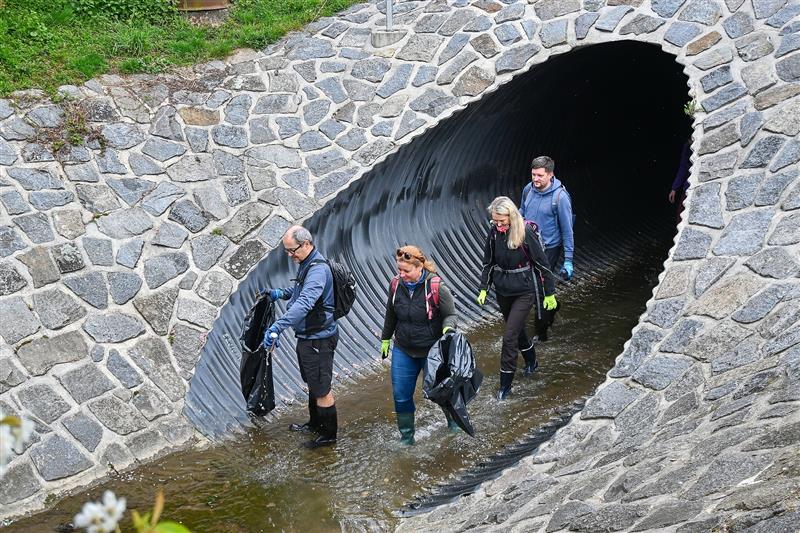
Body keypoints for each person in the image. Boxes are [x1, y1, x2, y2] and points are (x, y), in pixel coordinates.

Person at [262, 225, 340, 448]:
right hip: (308, 337)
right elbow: (300, 293)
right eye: (287, 251)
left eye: (292, 250)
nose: (290, 255)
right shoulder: (306, 263)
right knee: (313, 383)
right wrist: (281, 293)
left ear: (306, 244)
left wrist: (278, 327)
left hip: (319, 339)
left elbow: (306, 303)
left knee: (322, 389)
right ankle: (314, 424)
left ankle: (328, 437)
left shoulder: (317, 270)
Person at [477, 197, 557, 400]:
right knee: (518, 330)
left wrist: (549, 292)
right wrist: (484, 288)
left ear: (511, 216)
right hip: (503, 290)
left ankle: (505, 386)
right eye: (495, 221)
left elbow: (542, 264)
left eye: (501, 221)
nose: (498, 225)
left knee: (509, 337)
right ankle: (532, 361)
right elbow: (488, 261)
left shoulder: (525, 232)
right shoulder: (494, 232)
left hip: (524, 291)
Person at [380, 245, 457, 445]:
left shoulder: (436, 287)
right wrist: (386, 338)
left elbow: (450, 314)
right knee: (401, 396)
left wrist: (448, 329)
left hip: (432, 350)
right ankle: (407, 438)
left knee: (441, 391)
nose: (401, 274)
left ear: (419, 267)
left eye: (406, 270)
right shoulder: (396, 285)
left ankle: (454, 424)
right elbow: (391, 312)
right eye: (399, 270)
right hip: (404, 349)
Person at [519, 156, 575, 281]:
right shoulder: (528, 190)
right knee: (525, 283)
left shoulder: (560, 197)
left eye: (540, 175)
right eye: (533, 174)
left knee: (541, 285)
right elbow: (522, 210)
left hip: (548, 248)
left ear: (550, 174)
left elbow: (567, 230)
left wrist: (568, 260)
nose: (535, 179)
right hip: (528, 244)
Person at [669, 140, 691, 223]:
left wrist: (674, 188)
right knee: (682, 214)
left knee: (682, 215)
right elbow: (683, 167)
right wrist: (674, 188)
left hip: (691, 186)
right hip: (687, 187)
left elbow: (683, 167)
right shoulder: (687, 147)